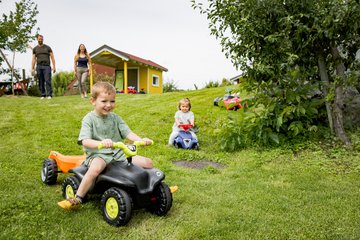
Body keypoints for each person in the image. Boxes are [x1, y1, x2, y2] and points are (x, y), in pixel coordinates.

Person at [58, 81, 153, 209]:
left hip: (118, 154)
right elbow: (85, 140)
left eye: (112, 101)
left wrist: (141, 139)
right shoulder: (89, 119)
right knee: (95, 169)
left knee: (148, 163)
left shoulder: (116, 118)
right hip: (99, 155)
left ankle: (153, 189)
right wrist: (100, 143)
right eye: (104, 101)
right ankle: (78, 197)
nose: (109, 105)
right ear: (93, 101)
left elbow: (128, 133)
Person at [31, 34, 56, 99]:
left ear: (43, 39)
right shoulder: (35, 49)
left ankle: (49, 95)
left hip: (47, 66)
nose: (40, 40)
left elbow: (52, 57)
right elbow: (33, 59)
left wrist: (54, 67)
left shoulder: (47, 47)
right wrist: (32, 68)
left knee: (47, 80)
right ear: (37, 39)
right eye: (39, 39)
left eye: (41, 39)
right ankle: (43, 94)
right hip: (39, 66)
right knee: (40, 81)